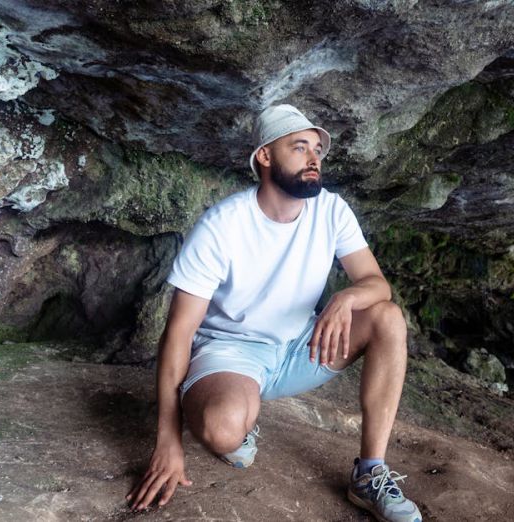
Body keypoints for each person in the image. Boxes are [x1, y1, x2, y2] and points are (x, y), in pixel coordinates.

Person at [125, 104, 423, 522]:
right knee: (223, 429)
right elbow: (177, 334)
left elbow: (377, 285)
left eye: (317, 150)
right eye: (299, 148)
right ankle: (237, 409)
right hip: (233, 353)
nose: (313, 158)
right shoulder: (222, 225)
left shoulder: (331, 210)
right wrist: (168, 441)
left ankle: (369, 473)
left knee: (388, 317)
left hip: (305, 345)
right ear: (265, 156)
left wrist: (345, 299)